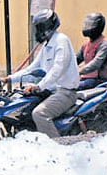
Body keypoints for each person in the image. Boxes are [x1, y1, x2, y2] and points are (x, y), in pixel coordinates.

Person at [5, 9, 79, 139]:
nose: (38, 31)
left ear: (49, 26)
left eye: (41, 27)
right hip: (50, 91)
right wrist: (9, 79)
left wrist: (39, 86)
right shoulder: (46, 46)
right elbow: (31, 70)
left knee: (40, 113)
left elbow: (58, 69)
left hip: (65, 92)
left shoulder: (61, 40)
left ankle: (56, 147)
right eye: (37, 28)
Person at [77, 12, 107, 89]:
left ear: (98, 26)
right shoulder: (86, 45)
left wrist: (80, 71)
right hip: (85, 79)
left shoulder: (104, 43)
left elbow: (96, 63)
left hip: (98, 81)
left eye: (90, 25)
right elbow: (76, 58)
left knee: (74, 87)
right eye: (87, 25)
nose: (87, 27)